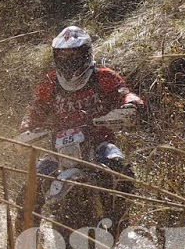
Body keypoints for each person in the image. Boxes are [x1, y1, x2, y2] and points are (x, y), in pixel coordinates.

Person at [17, 26, 144, 228]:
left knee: (122, 172)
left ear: (86, 53)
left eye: (74, 55)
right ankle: (26, 241)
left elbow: (124, 93)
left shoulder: (103, 77)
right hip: (58, 151)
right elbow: (36, 108)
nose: (68, 60)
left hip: (98, 143)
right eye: (63, 55)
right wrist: (27, 128)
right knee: (29, 189)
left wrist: (131, 104)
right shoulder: (50, 82)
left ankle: (120, 223)